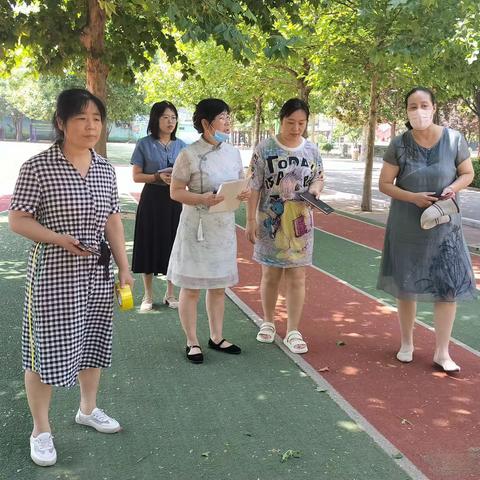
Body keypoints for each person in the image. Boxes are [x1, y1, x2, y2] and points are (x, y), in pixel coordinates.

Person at [8, 88, 134, 467]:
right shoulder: (38, 167)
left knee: (92, 343)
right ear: (61, 123)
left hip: (96, 273)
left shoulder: (104, 168)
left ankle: (88, 409)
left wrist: (124, 265)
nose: (91, 126)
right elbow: (18, 219)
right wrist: (57, 239)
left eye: (96, 119)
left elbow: (112, 218)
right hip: (53, 276)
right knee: (43, 351)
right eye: (81, 118)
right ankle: (41, 430)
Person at [377, 86, 476, 373]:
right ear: (406, 111)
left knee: (447, 287)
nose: (418, 111)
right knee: (406, 284)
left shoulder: (455, 139)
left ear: (433, 107)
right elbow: (384, 184)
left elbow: (467, 173)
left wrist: (452, 188)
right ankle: (406, 343)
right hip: (407, 223)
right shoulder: (399, 143)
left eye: (423, 105)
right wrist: (413, 197)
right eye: (412, 106)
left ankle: (442, 352)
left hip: (445, 225)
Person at [167, 98, 250, 364]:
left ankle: (216, 337)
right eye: (223, 117)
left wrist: (244, 193)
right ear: (206, 122)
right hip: (197, 228)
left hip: (223, 228)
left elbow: (238, 183)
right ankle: (192, 341)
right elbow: (176, 192)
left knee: (218, 286)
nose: (228, 121)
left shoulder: (233, 152)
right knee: (191, 287)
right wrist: (202, 198)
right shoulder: (188, 154)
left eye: (229, 116)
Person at [246, 98, 324, 354]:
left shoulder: (311, 150)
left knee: (297, 275)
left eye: (301, 123)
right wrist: (250, 220)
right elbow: (254, 185)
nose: (296, 127)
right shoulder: (265, 148)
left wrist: (315, 189)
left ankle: (292, 329)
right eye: (291, 122)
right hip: (271, 221)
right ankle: (268, 322)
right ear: (281, 120)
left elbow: (319, 178)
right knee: (270, 273)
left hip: (301, 223)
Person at [131, 101, 186, 312]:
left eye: (173, 117)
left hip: (175, 200)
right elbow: (136, 176)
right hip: (152, 199)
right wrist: (157, 176)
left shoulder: (182, 146)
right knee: (148, 242)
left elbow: (189, 175)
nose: (170, 121)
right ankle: (148, 295)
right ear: (156, 119)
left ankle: (170, 294)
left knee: (173, 243)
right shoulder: (144, 144)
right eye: (165, 117)